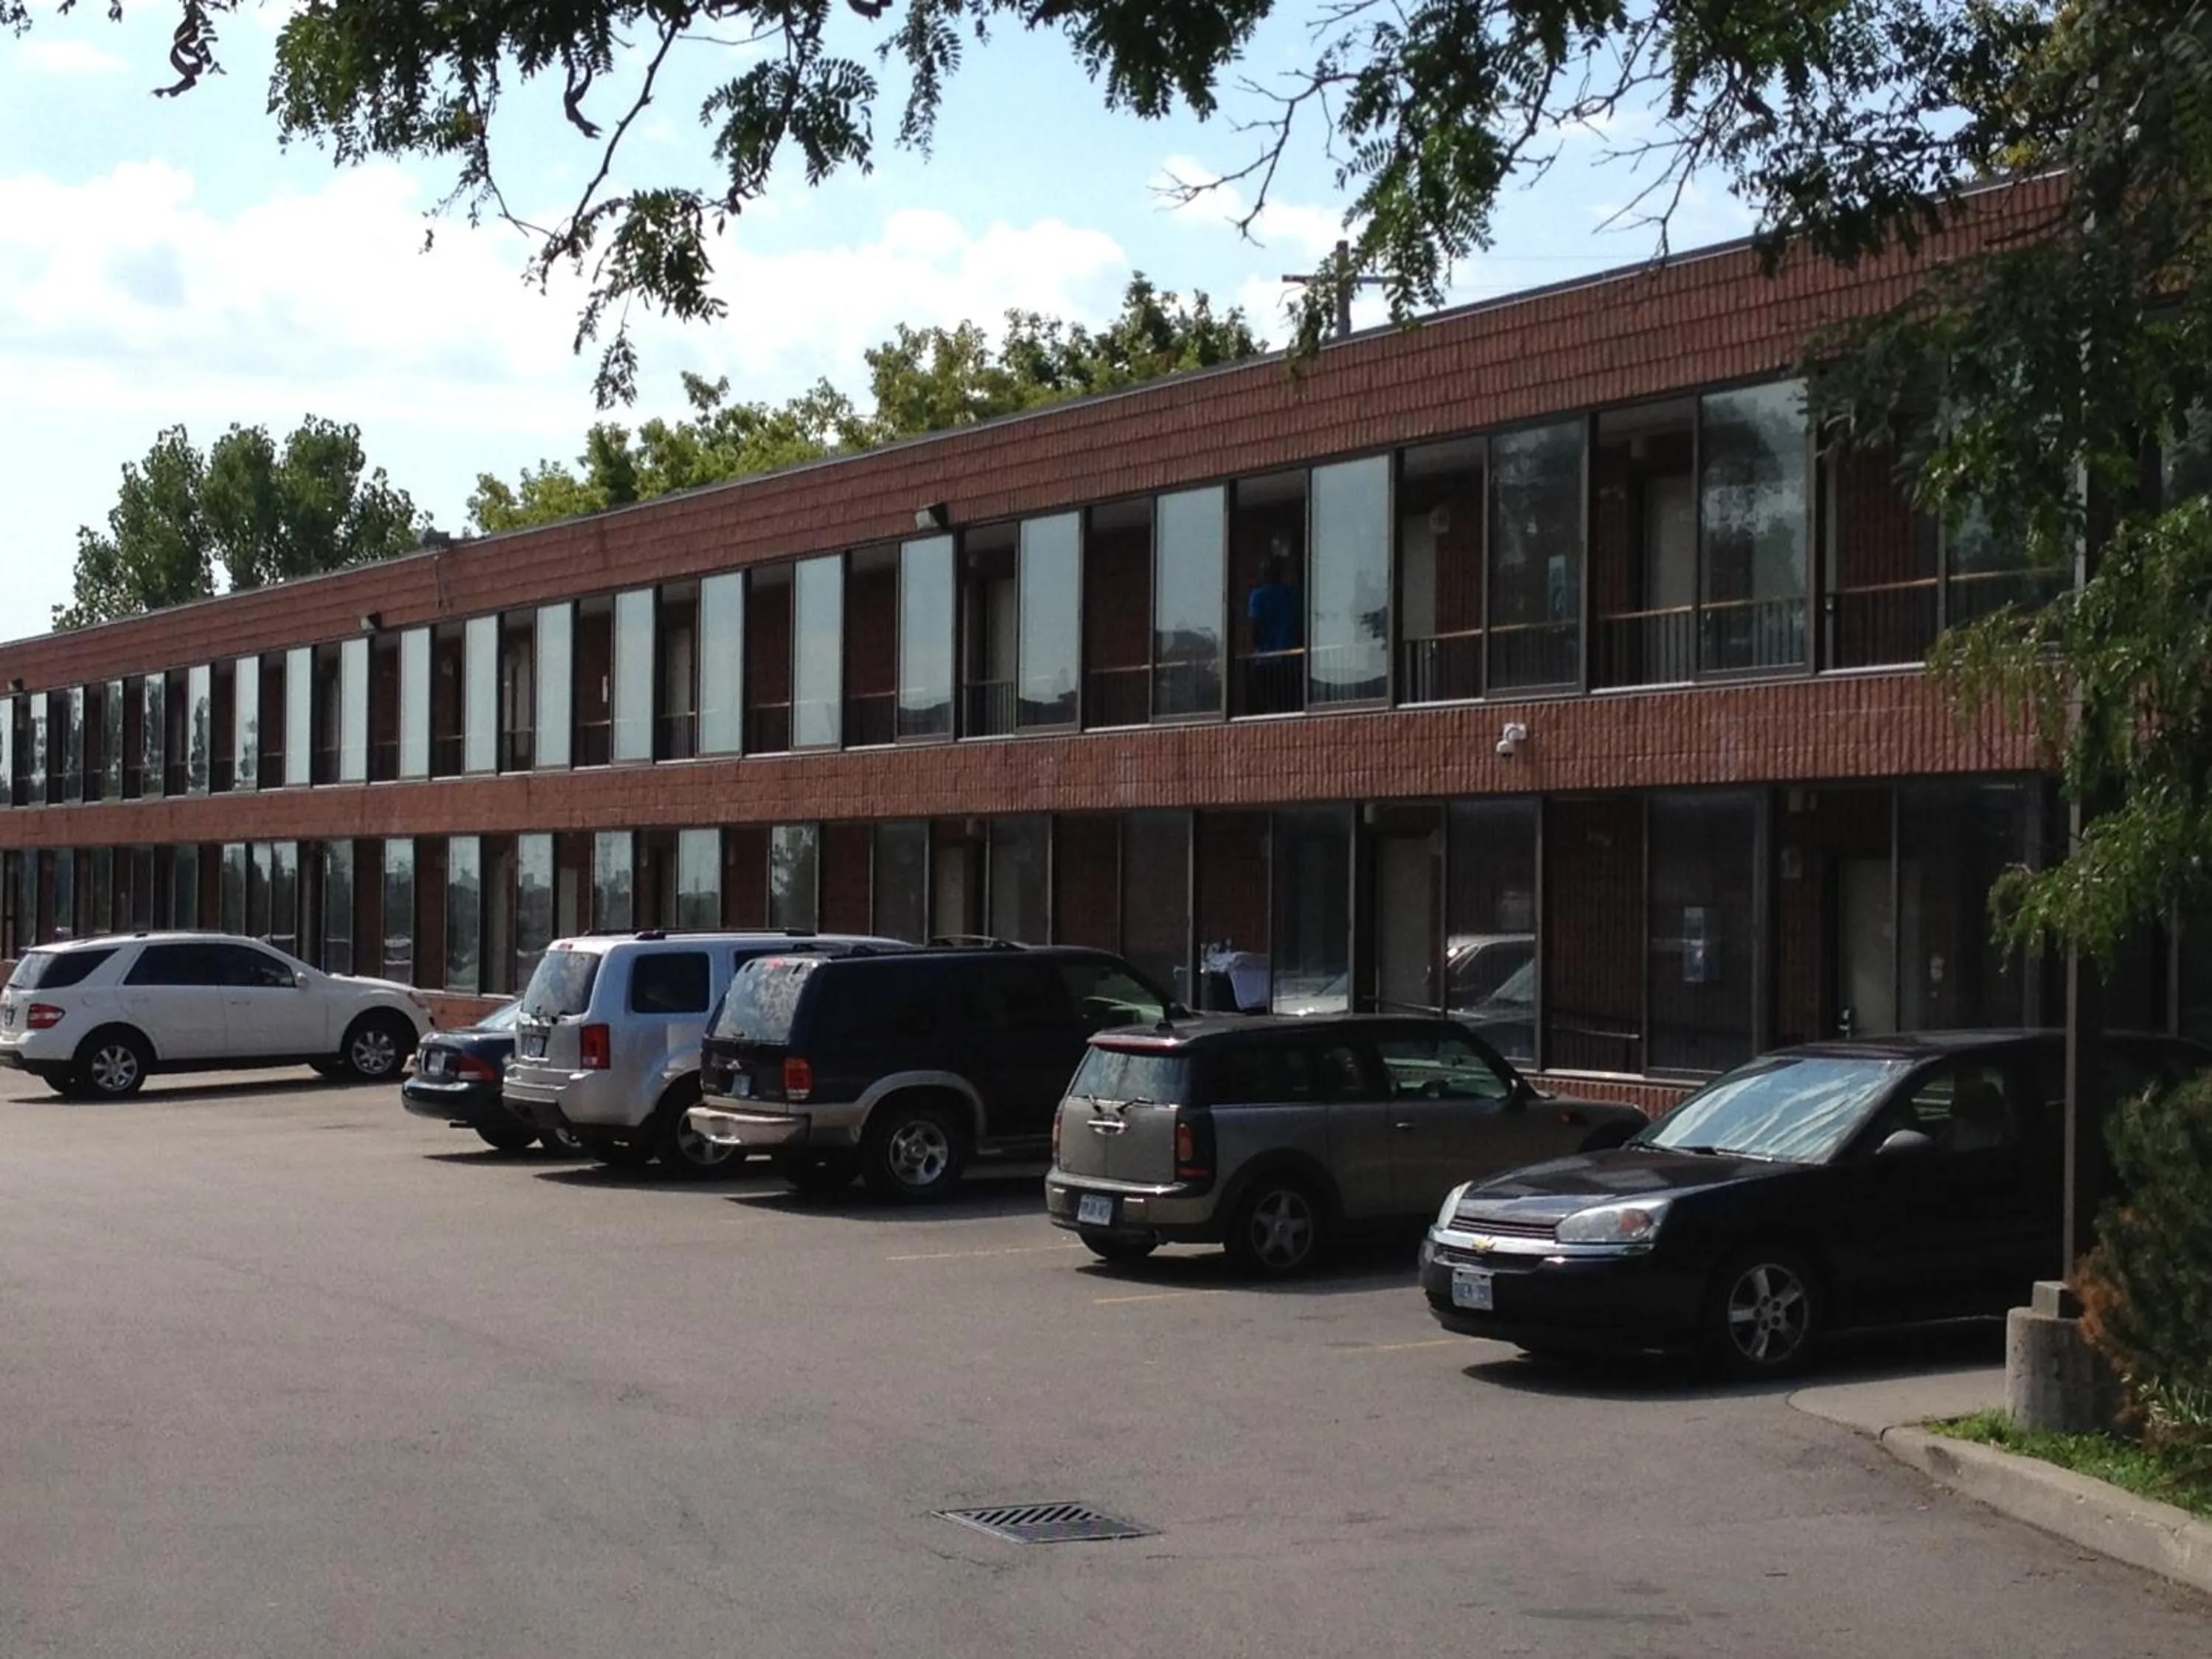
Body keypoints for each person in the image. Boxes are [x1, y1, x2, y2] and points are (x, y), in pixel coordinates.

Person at [1245, 546, 1301, 712]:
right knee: (1286, 706)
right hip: (1288, 660)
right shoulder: (1292, 594)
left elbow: (1254, 627)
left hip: (1265, 660)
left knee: (1265, 706)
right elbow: (1298, 624)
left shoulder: (1258, 596)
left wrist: (1254, 647)